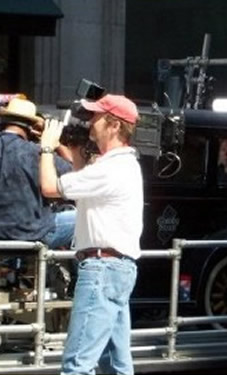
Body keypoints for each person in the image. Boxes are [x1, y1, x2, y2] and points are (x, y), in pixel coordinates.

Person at [39, 94, 143, 375]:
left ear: (114, 126)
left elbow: (49, 187)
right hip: (116, 269)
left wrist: (47, 149)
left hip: (101, 269)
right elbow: (82, 185)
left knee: (77, 366)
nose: (90, 123)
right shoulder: (122, 166)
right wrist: (69, 153)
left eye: (96, 117)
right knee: (116, 366)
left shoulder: (110, 170)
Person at [0, 97, 74, 249]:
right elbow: (75, 172)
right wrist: (54, 143)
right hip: (32, 232)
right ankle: (76, 269)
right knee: (86, 217)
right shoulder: (37, 153)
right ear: (31, 127)